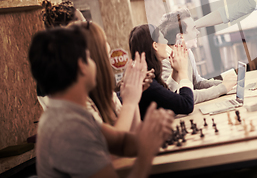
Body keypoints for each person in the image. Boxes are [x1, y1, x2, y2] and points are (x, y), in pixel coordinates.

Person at [29, 27, 174, 178]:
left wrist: (135, 95)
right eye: (89, 57)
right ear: (82, 66)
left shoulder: (72, 114)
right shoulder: (67, 126)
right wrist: (146, 152)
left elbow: (123, 143)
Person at [70, 21, 146, 131]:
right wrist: (129, 102)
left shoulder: (108, 94)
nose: (108, 46)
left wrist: (134, 91)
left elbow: (134, 132)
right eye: (105, 42)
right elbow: (114, 142)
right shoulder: (77, 104)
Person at [158, 9, 237, 104]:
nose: (198, 32)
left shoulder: (187, 52)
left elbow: (197, 83)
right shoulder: (164, 60)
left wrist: (229, 84)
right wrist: (222, 88)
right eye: (193, 28)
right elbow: (185, 96)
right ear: (180, 37)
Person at [129, 24, 194, 117]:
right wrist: (182, 71)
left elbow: (166, 98)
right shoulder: (147, 82)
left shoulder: (145, 76)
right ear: (155, 45)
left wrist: (175, 72)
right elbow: (186, 104)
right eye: (163, 38)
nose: (166, 41)